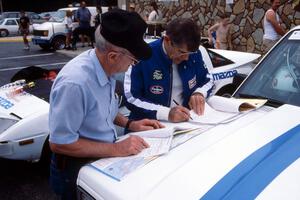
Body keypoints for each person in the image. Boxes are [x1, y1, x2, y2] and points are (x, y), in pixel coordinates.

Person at [48, 9, 163, 200]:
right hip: (75, 169)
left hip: (100, 159)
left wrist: (131, 124)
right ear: (113, 56)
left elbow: (102, 110)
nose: (132, 65)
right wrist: (117, 149)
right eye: (133, 60)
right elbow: (60, 143)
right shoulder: (75, 83)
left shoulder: (105, 68)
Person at [124, 18, 214, 123]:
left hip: (185, 125)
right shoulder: (143, 56)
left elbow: (208, 79)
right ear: (167, 40)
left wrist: (199, 93)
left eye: (190, 53)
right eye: (182, 52)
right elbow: (130, 97)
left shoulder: (194, 54)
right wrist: (166, 113)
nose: (186, 58)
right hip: (147, 127)